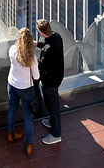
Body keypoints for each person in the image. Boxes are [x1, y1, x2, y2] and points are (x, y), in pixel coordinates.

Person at [6, 28, 40, 158]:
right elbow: (36, 77)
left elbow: (17, 49)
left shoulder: (12, 50)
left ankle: (10, 134)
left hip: (12, 84)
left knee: (12, 109)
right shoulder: (32, 59)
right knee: (28, 118)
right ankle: (29, 146)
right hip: (26, 88)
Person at [36, 19, 64, 145]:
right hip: (56, 77)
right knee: (54, 103)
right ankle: (52, 121)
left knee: (52, 106)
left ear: (41, 32)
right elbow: (46, 44)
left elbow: (41, 66)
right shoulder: (56, 36)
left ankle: (56, 134)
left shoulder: (48, 51)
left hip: (49, 81)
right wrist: (37, 44)